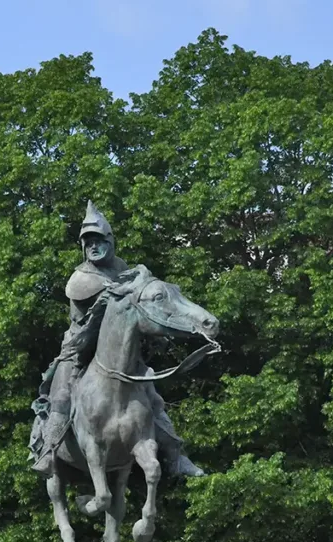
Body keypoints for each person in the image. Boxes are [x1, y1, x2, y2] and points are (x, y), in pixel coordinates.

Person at [29, 201, 205, 479]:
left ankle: (176, 455)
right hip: (79, 345)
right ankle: (48, 452)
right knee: (61, 395)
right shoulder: (80, 280)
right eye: (88, 243)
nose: (94, 247)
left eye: (99, 241)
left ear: (111, 242)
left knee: (152, 397)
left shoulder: (123, 270)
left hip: (119, 347)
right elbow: (83, 321)